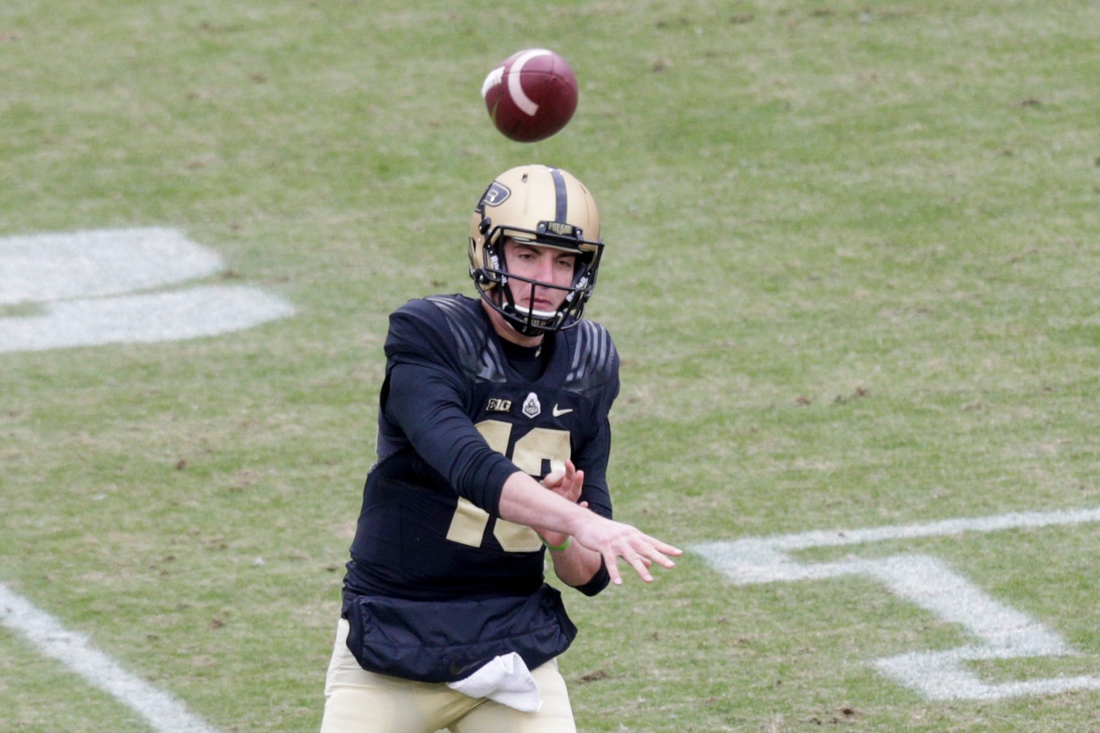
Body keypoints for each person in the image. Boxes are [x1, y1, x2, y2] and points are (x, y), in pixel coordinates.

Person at [320, 164, 681, 733]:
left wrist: (561, 532)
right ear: (490, 254)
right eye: (529, 256)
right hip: (394, 641)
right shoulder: (431, 335)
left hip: (511, 649)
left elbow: (587, 575)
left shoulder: (587, 363)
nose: (548, 277)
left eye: (566, 262)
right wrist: (577, 520)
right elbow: (468, 463)